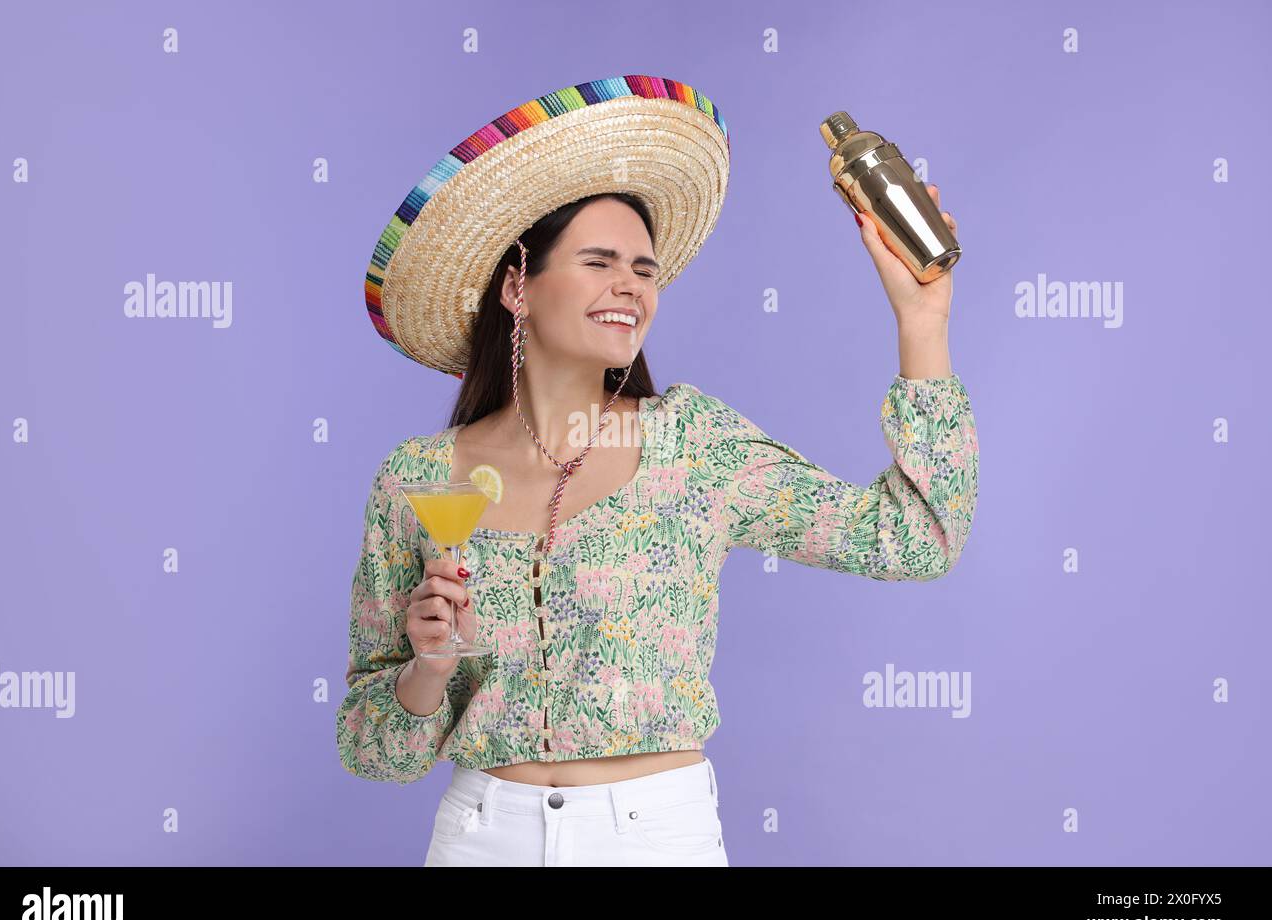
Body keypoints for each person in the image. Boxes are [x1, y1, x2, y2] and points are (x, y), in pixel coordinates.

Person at [337, 75, 978, 866]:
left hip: (653, 839)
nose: (630, 288)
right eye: (599, 261)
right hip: (480, 837)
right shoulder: (417, 481)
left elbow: (914, 540)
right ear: (517, 285)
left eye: (645, 270)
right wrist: (429, 669)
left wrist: (923, 322)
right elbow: (373, 750)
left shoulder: (693, 449)